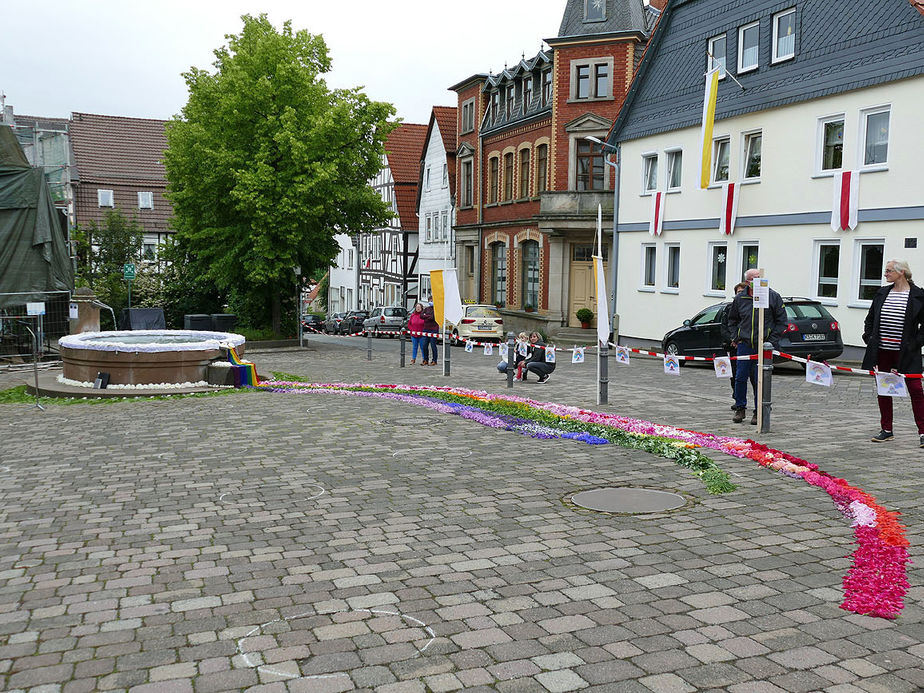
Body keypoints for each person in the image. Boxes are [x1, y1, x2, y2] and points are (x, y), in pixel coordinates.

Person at [862, 259, 924, 445]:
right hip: (882, 351)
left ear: (901, 272)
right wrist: (869, 339)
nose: (885, 274)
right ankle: (887, 430)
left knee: (916, 389)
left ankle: (923, 432)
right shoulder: (882, 293)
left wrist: (915, 344)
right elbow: (870, 320)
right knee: (885, 389)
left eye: (889, 271)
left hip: (907, 353)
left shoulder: (918, 295)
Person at [726, 269, 786, 424]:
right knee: (740, 378)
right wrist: (735, 337)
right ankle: (740, 408)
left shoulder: (772, 296)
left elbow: (782, 322)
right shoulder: (740, 298)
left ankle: (759, 411)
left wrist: (770, 341)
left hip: (764, 346)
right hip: (745, 345)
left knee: (760, 379)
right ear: (748, 282)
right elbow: (732, 320)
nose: (758, 280)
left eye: (760, 278)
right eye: (755, 279)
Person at [721, 282, 753, 407]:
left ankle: (760, 403)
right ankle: (738, 399)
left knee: (754, 377)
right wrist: (733, 340)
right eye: (738, 292)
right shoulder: (729, 308)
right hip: (734, 347)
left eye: (742, 291)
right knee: (735, 375)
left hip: (748, 345)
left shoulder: (753, 307)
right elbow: (726, 327)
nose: (740, 294)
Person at [421, 301, 440, 366]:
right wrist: (428, 316)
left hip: (434, 329)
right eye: (430, 300)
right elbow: (421, 316)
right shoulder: (426, 309)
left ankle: (434, 360)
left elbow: (433, 317)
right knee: (424, 345)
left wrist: (426, 316)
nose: (431, 302)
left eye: (432, 300)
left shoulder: (437, 309)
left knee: (433, 345)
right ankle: (425, 360)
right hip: (426, 329)